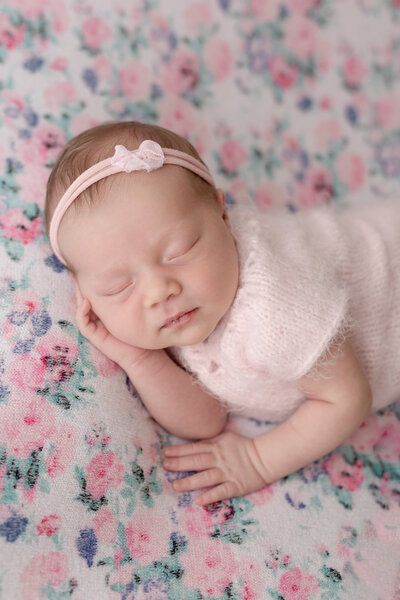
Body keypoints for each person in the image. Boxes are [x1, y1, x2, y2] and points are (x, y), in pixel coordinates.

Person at [45, 120, 400, 507]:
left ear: (222, 213)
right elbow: (205, 421)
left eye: (180, 250)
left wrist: (256, 460)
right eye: (118, 285)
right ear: (87, 295)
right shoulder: (177, 310)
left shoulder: (277, 307)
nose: (159, 291)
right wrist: (141, 360)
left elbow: (346, 398)